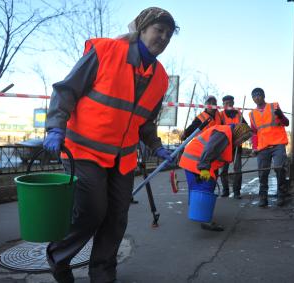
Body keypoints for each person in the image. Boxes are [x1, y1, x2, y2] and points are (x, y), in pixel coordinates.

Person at [43, 7, 178, 283]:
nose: (163, 37)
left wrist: (157, 146)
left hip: (123, 157)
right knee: (93, 211)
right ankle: (59, 257)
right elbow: (66, 90)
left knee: (116, 217)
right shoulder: (105, 51)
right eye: (158, 30)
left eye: (168, 34)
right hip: (84, 149)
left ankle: (103, 272)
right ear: (141, 29)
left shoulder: (160, 77)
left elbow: (146, 122)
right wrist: (56, 127)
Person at [178, 124, 252, 231]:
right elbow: (210, 150)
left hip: (193, 160)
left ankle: (196, 212)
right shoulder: (224, 134)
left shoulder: (226, 135)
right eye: (243, 138)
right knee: (207, 186)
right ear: (238, 133)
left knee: (197, 187)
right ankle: (204, 220)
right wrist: (204, 168)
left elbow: (216, 154)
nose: (242, 142)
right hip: (196, 161)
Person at [248, 88, 289, 207]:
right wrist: (254, 148)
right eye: (254, 96)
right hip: (263, 147)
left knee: (280, 169)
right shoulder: (252, 114)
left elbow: (286, 123)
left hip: (278, 144)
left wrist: (281, 116)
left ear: (263, 95)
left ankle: (281, 196)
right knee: (262, 173)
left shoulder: (274, 107)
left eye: (258, 95)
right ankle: (263, 197)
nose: (256, 98)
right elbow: (254, 133)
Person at [219, 95, 249, 199]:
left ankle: (237, 191)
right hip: (224, 146)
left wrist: (241, 137)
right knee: (223, 171)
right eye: (226, 104)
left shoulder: (238, 114)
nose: (228, 105)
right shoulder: (220, 115)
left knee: (238, 170)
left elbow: (246, 128)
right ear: (223, 105)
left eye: (230, 103)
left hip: (236, 146)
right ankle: (225, 190)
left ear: (233, 103)